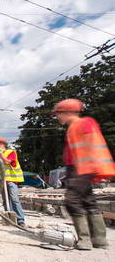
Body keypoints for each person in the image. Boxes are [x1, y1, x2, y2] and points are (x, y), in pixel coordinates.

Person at [53, 99, 114, 250]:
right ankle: (100, 240)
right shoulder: (75, 126)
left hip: (81, 168)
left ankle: (85, 240)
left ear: (67, 112)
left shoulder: (82, 124)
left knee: (72, 201)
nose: (57, 117)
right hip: (80, 168)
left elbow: (89, 147)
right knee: (88, 201)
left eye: (58, 114)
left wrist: (85, 171)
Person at [0, 137, 26, 226]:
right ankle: (9, 218)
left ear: (4, 145)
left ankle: (20, 220)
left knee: (14, 199)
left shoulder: (11, 152)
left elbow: (7, 162)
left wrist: (1, 154)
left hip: (11, 180)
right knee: (6, 201)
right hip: (2, 181)